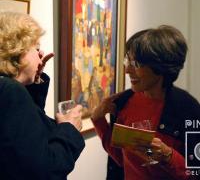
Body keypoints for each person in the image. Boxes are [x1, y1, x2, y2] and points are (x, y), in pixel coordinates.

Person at [91, 25, 200, 180]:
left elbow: (196, 172)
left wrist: (168, 156)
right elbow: (121, 159)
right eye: (127, 61)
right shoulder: (122, 102)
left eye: (136, 64)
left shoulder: (189, 109)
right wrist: (98, 121)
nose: (127, 70)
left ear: (160, 67)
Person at [0, 11, 85, 180]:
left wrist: (32, 81)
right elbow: (46, 170)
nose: (40, 56)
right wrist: (70, 128)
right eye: (36, 48)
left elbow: (23, 137)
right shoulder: (10, 91)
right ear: (19, 49)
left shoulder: (7, 88)